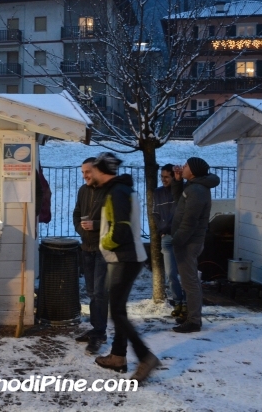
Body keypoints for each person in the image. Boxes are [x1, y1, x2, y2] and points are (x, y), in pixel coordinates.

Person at [91, 152, 161, 382]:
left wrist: (105, 243)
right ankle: (118, 356)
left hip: (125, 257)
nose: (90, 175)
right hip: (128, 257)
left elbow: (120, 229)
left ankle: (145, 357)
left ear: (102, 171)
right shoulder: (123, 189)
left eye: (92, 171)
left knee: (118, 313)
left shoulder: (116, 193)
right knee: (118, 310)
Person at [171, 157, 220, 333]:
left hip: (188, 243)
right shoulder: (193, 187)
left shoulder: (198, 190)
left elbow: (189, 221)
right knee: (188, 281)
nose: (182, 167)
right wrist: (177, 182)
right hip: (186, 241)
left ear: (193, 171)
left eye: (185, 166)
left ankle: (194, 321)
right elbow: (180, 205)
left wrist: (176, 240)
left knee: (190, 282)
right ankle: (192, 316)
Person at [72, 157, 110, 354]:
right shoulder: (83, 191)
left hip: (103, 249)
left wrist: (96, 226)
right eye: (83, 173)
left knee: (100, 292)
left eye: (88, 172)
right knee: (91, 290)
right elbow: (76, 213)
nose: (85, 176)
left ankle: (100, 331)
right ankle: (97, 328)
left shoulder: (109, 192)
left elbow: (117, 221)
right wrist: (82, 230)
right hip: (86, 247)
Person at [152, 163, 186, 319]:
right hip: (166, 237)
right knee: (171, 273)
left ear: (174, 176)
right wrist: (161, 230)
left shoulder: (181, 191)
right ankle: (178, 301)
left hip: (180, 235)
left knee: (186, 272)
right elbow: (155, 214)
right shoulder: (158, 193)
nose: (163, 179)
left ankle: (187, 303)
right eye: (162, 176)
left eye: (166, 176)